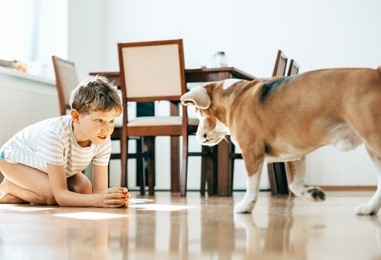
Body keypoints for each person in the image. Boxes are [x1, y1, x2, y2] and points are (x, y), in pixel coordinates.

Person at [0, 75, 131, 207]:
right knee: (51, 196)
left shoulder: (102, 139)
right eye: (100, 120)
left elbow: (99, 192)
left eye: (111, 121)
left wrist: (112, 199)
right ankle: (9, 187)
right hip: (12, 159)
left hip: (44, 165)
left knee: (84, 189)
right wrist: (98, 200)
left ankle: (23, 189)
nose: (107, 129)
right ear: (76, 116)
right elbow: (61, 196)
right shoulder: (55, 135)